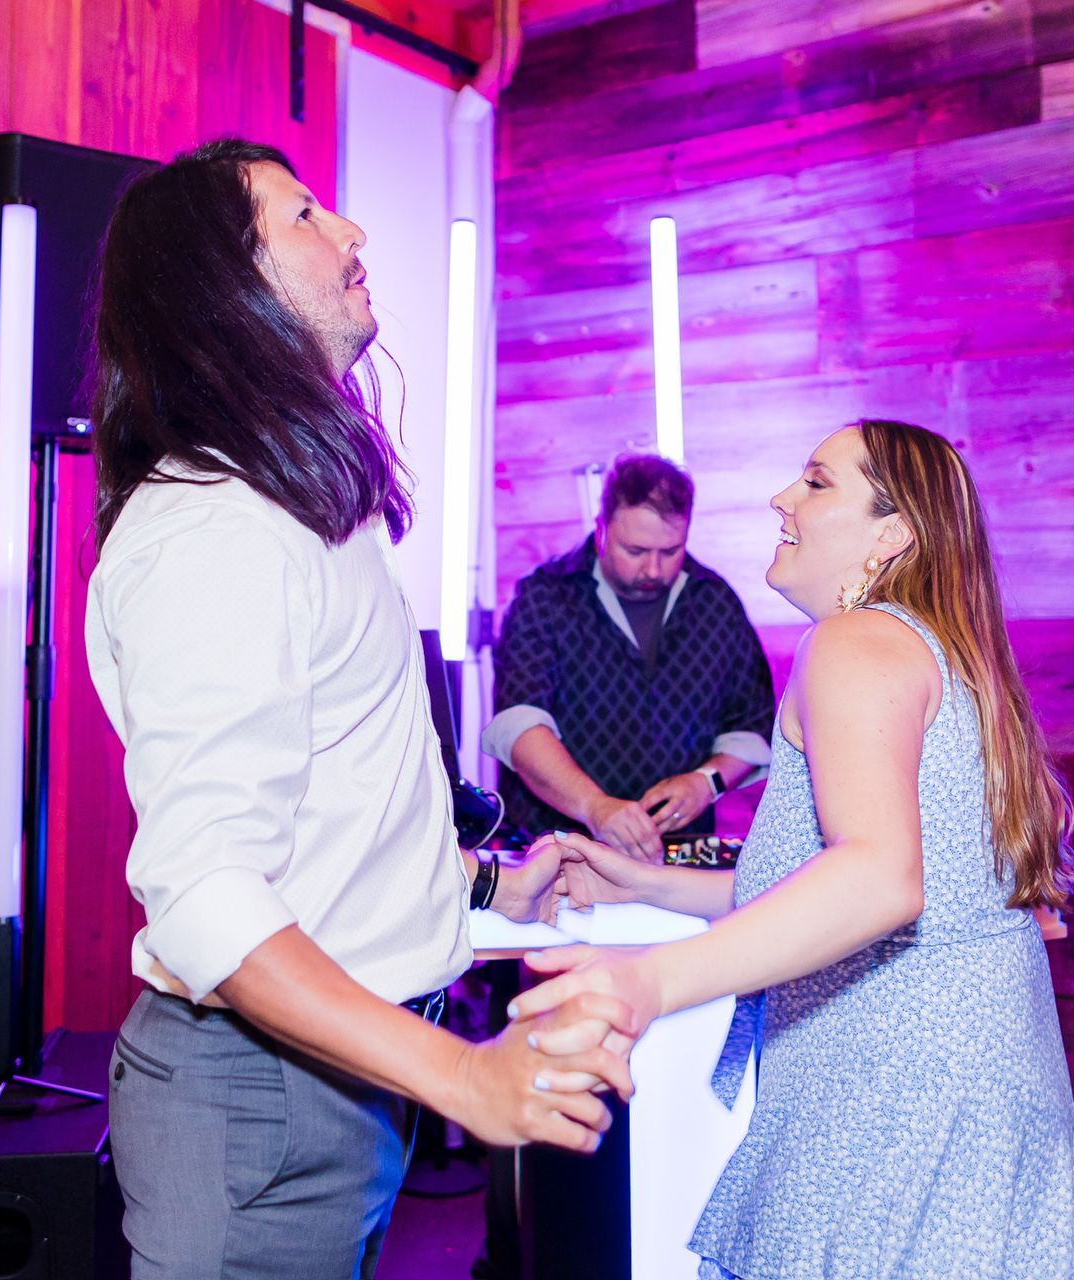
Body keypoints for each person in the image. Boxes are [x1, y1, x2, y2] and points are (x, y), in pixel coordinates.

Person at [83, 139, 630, 1280]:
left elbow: (323, 821)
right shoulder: (214, 531)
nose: (354, 234)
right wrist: (466, 1075)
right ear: (222, 288)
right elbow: (206, 894)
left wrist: (479, 891)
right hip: (261, 1098)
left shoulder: (287, 512)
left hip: (324, 1079)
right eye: (303, 215)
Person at [516, 420, 1074, 1279]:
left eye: (815, 481)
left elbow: (875, 880)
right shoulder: (934, 647)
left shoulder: (853, 642)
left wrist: (647, 982)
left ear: (893, 532)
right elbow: (819, 884)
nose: (780, 499)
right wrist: (641, 885)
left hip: (898, 1098)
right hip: (966, 1087)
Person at [484, 452, 774, 860]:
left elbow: (752, 725)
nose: (654, 569)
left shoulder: (715, 600)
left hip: (678, 855)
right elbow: (520, 724)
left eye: (671, 551)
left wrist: (706, 781)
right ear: (601, 528)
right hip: (558, 849)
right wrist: (595, 806)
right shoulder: (547, 594)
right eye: (635, 550)